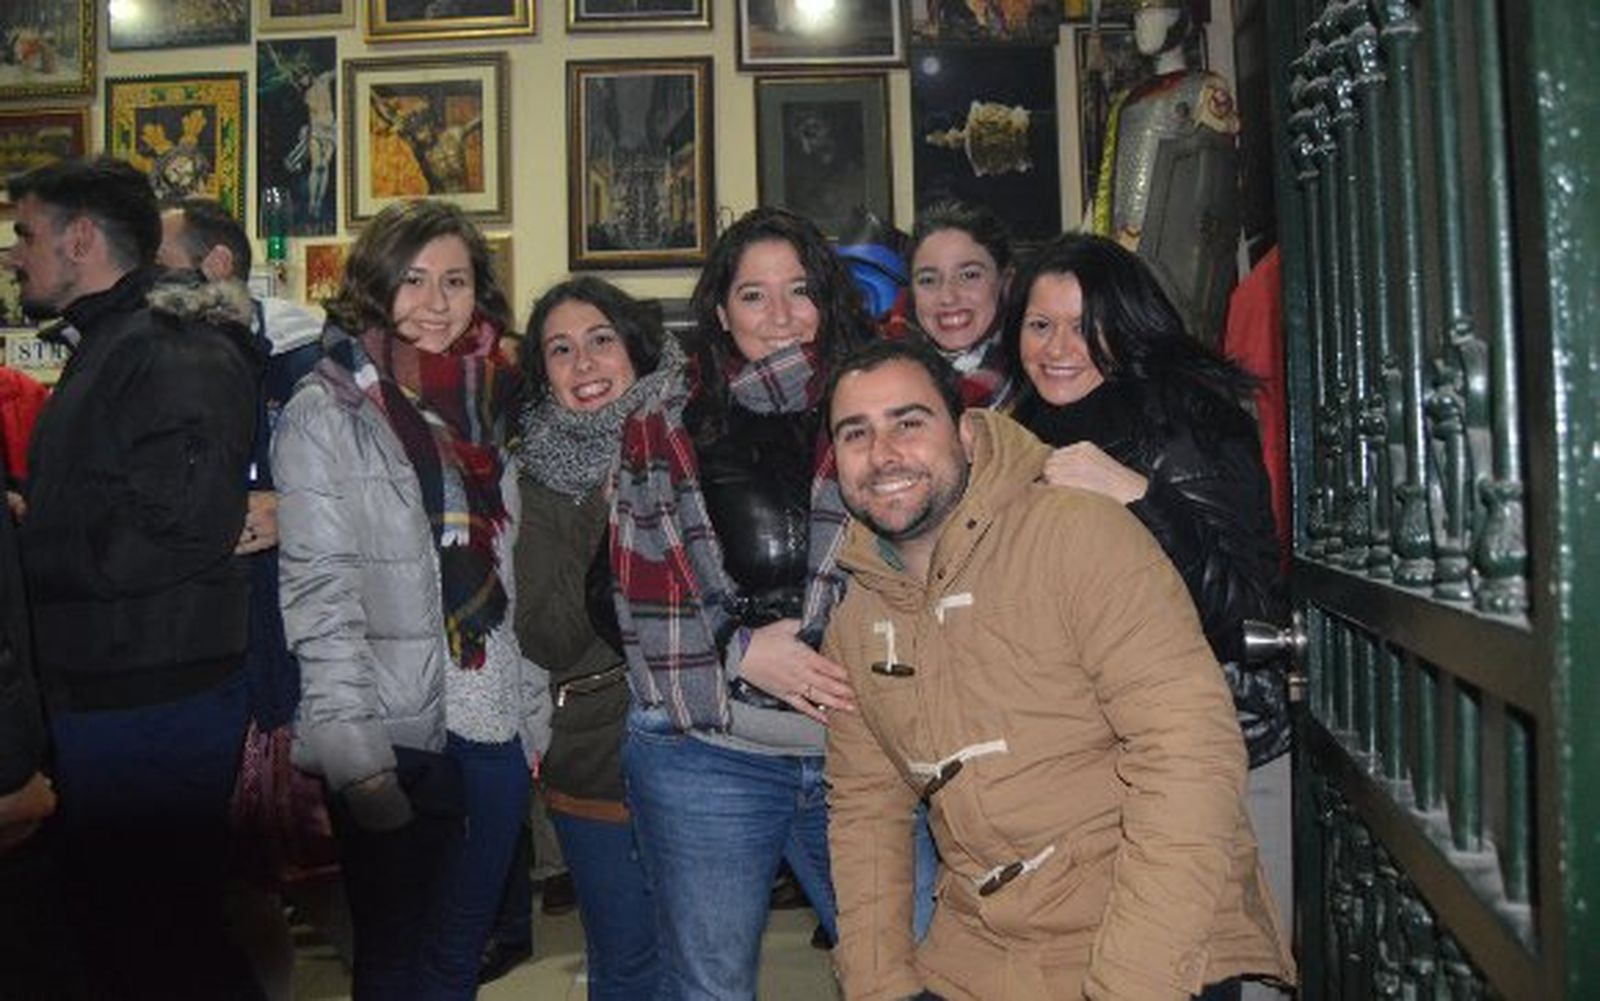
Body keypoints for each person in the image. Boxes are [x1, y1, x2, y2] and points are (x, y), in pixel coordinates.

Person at [821, 338, 1294, 1000]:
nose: (883, 454)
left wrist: (1133, 983)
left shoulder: (1078, 534)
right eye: (856, 434)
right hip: (979, 955)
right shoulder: (858, 613)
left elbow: (1189, 752)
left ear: (962, 433)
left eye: (908, 422)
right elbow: (866, 810)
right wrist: (882, 985)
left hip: (1148, 942)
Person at [274, 198, 551, 999]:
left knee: (460, 953)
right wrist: (358, 766)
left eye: (456, 281)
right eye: (414, 279)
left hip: (496, 722)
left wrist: (531, 715)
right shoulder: (325, 411)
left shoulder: (497, 402)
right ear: (373, 287)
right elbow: (320, 595)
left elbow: (512, 565)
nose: (436, 303)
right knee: (394, 962)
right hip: (398, 736)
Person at [1007, 233, 1293, 1001]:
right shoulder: (1020, 428)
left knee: (1211, 967)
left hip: (1220, 750)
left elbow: (1250, 613)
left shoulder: (1185, 421)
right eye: (1040, 325)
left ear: (1126, 325)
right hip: (1091, 769)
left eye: (1082, 324)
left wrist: (1138, 494)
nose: (1059, 348)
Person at [7, 156, 261, 999]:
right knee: (139, 935)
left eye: (26, 234)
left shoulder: (170, 347)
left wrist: (26, 545)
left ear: (80, 239)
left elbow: (178, 527)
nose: (15, 255)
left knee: (165, 941)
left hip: (153, 696)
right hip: (119, 686)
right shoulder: (119, 340)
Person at [610, 206, 871, 999]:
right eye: (754, 296)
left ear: (828, 299)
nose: (781, 315)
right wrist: (738, 645)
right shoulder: (664, 425)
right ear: (720, 311)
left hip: (862, 743)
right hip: (706, 749)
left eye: (799, 291)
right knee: (710, 985)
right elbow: (623, 582)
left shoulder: (875, 407)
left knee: (912, 964)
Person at [157, 196, 336, 998]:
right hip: (214, 660)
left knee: (328, 869)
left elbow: (383, 502)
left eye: (158, 263)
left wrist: (296, 507)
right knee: (244, 884)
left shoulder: (310, 363)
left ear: (217, 266)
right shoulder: (174, 360)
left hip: (298, 664)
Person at [511, 276, 677, 997]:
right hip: (596, 750)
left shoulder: (693, 431)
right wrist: (602, 516)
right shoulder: (537, 475)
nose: (584, 365)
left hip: (710, 744)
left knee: (705, 955)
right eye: (560, 350)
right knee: (630, 958)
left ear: (634, 348)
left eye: (600, 340)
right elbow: (547, 634)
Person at [1091, 0, 1239, 345]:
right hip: (1125, 241)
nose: (1145, 25)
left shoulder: (1205, 88)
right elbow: (1110, 181)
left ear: (1180, 19)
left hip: (1176, 243)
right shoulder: (1127, 100)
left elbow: (1211, 185)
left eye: (1155, 13)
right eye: (1139, 16)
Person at [905, 200, 1018, 410]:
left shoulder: (1044, 368)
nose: (948, 297)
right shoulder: (879, 371)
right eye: (928, 280)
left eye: (969, 275)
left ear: (1006, 281)